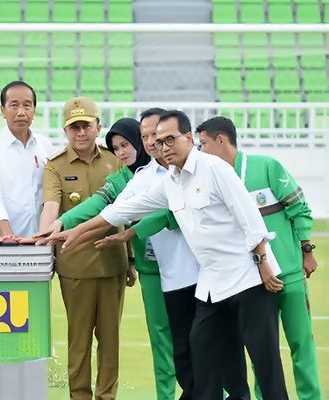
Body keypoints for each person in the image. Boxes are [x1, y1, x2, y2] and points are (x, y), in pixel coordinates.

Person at [58, 110, 288, 400]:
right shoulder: (170, 182)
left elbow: (249, 216)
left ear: (189, 138)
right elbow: (119, 211)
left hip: (251, 278)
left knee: (265, 362)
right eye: (159, 141)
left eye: (170, 140)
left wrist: (263, 262)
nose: (164, 147)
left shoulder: (214, 168)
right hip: (213, 285)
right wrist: (72, 231)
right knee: (200, 351)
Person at [37, 109, 179, 400]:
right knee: (159, 339)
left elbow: (164, 215)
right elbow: (105, 209)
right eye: (118, 146)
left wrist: (128, 238)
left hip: (184, 268)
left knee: (193, 338)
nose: (123, 151)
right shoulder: (133, 177)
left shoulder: (177, 168)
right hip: (138, 266)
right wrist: (62, 226)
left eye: (129, 144)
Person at [197, 116, 321, 400]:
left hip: (287, 272)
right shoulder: (209, 179)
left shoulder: (266, 166)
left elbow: (298, 209)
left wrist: (306, 250)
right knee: (261, 350)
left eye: (203, 144)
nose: (200, 151)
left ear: (221, 140)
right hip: (251, 281)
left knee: (301, 343)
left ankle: (311, 396)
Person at [37, 97, 130, 400]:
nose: (80, 132)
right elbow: (51, 207)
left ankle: (107, 396)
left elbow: (128, 211)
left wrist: (130, 260)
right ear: (66, 131)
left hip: (112, 262)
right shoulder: (55, 166)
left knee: (110, 340)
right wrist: (43, 239)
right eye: (73, 127)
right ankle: (79, 396)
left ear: (97, 126)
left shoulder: (115, 160)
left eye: (86, 125)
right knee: (78, 341)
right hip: (75, 265)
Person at [0, 80, 54, 237]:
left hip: (42, 240)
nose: (21, 112)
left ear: (34, 109)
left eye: (27, 105)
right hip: (5, 242)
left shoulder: (45, 145)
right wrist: (9, 238)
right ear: (2, 110)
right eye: (14, 105)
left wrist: (45, 235)